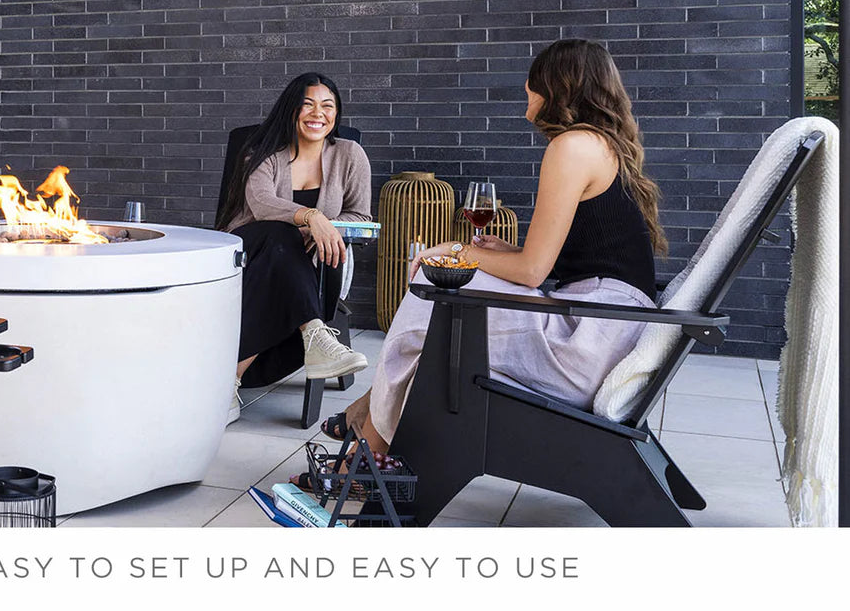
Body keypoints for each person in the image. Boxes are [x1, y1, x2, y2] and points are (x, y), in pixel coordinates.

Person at [300, 38, 666, 479]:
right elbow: (575, 259)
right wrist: (504, 251)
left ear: (556, 84)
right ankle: (369, 424)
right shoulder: (602, 145)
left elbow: (533, 273)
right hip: (603, 326)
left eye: (533, 81)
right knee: (442, 325)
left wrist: (459, 249)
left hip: (587, 343)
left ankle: (364, 456)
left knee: (435, 292)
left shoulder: (572, 146)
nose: (526, 91)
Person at [217, 72, 374, 423]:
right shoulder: (263, 153)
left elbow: (360, 215)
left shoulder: (350, 155)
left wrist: (321, 227)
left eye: (327, 106)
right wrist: (309, 218)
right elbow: (260, 204)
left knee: (290, 244)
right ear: (291, 110)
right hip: (250, 253)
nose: (318, 113)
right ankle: (315, 334)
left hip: (316, 260)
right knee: (281, 236)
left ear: (336, 114)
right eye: (308, 104)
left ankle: (227, 384)